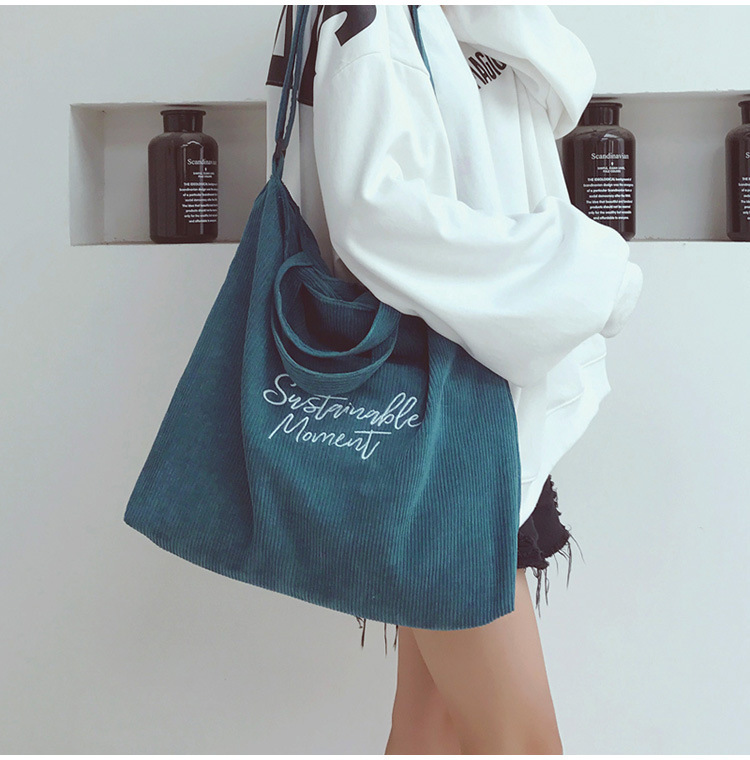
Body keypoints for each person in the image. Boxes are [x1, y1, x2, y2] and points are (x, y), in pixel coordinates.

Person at [265, 5, 643, 753]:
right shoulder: (377, 21)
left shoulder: (483, 26)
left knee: (430, 728)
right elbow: (378, 219)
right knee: (519, 743)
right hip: (439, 430)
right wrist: (589, 276)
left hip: (472, 402)